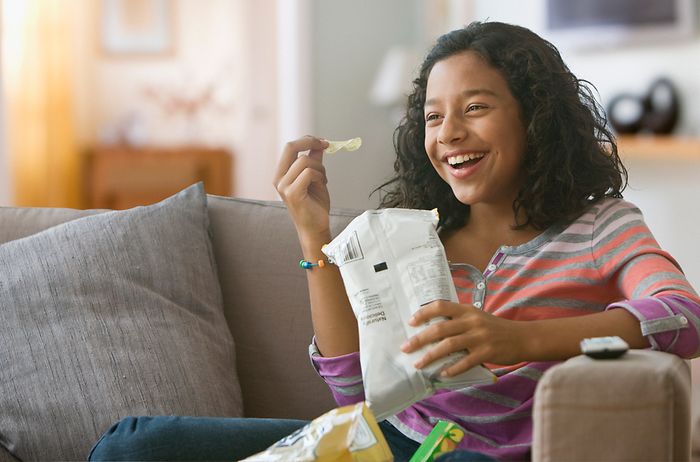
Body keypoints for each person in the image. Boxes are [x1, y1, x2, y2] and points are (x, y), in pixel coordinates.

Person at [89, 21, 700, 462]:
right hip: (385, 443)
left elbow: (682, 315)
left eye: (476, 107)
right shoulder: (410, 235)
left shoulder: (602, 226)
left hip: (485, 456)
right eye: (433, 116)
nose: (450, 133)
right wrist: (313, 233)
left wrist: (519, 338)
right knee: (134, 444)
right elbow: (354, 389)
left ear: (536, 117)